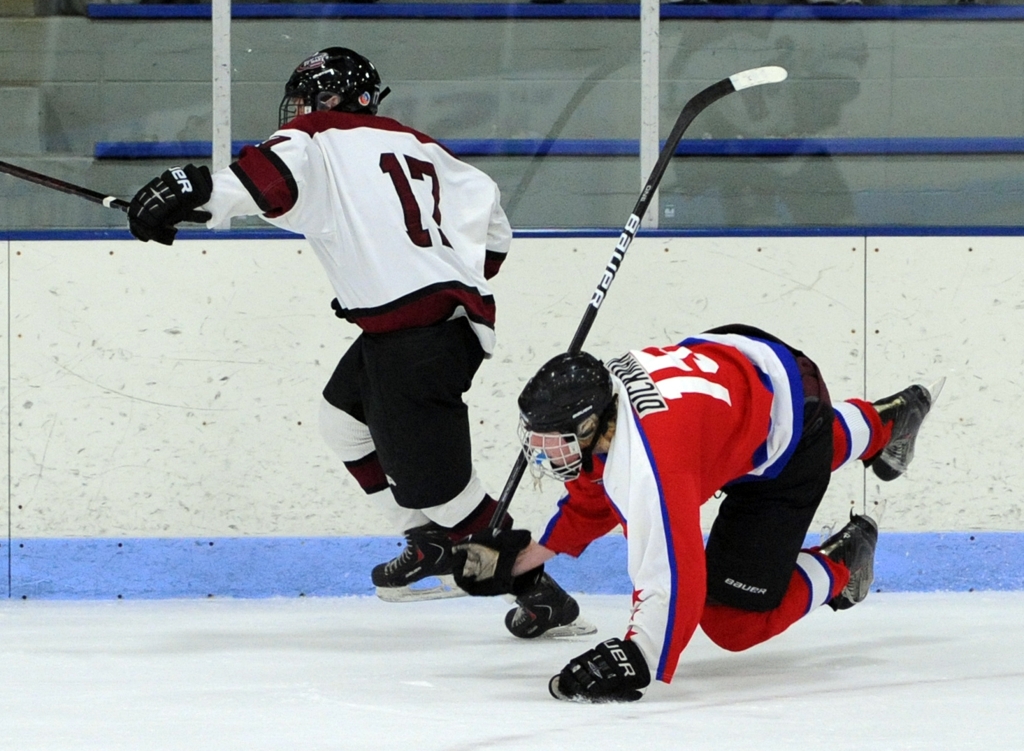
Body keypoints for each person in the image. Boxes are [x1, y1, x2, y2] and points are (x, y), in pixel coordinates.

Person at [123, 47, 582, 621]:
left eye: (307, 99)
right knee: (341, 423)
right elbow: (494, 234)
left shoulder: (316, 137)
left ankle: (538, 591)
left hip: (412, 341)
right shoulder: (424, 147)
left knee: (446, 492)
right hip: (438, 330)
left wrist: (189, 191)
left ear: (335, 99)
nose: (298, 111)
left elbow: (262, 183)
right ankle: (427, 541)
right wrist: (437, 273)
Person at [452, 323, 941, 702]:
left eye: (552, 440)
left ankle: (842, 562)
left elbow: (676, 578)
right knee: (755, 440)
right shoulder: (609, 405)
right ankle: (888, 419)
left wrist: (637, 654)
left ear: (589, 425)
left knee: (731, 623)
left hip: (786, 412)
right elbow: (596, 494)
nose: (542, 453)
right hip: (744, 367)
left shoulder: (649, 467)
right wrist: (525, 558)